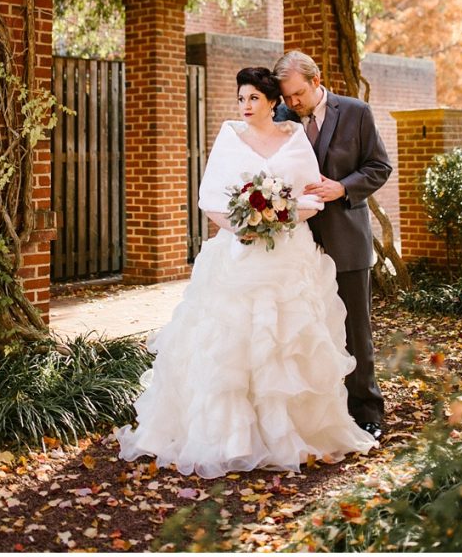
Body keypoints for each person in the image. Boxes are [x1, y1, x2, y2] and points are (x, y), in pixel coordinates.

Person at [116, 66, 377, 478]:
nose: (245, 106)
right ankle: (231, 435)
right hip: (238, 254)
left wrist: (279, 218)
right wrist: (247, 225)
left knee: (288, 341)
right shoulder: (229, 137)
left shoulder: (293, 137)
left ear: (273, 102)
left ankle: (299, 428)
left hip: (288, 253)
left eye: (254, 98)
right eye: (241, 99)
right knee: (229, 345)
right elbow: (209, 199)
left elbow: (311, 199)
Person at [273, 51, 392, 438]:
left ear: (316, 79)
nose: (293, 104)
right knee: (307, 330)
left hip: (346, 242)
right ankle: (322, 412)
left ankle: (368, 411)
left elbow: (379, 166)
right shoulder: (282, 120)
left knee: (356, 330)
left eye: (298, 94)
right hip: (299, 246)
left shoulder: (357, 112)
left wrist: (342, 187)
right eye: (287, 97)